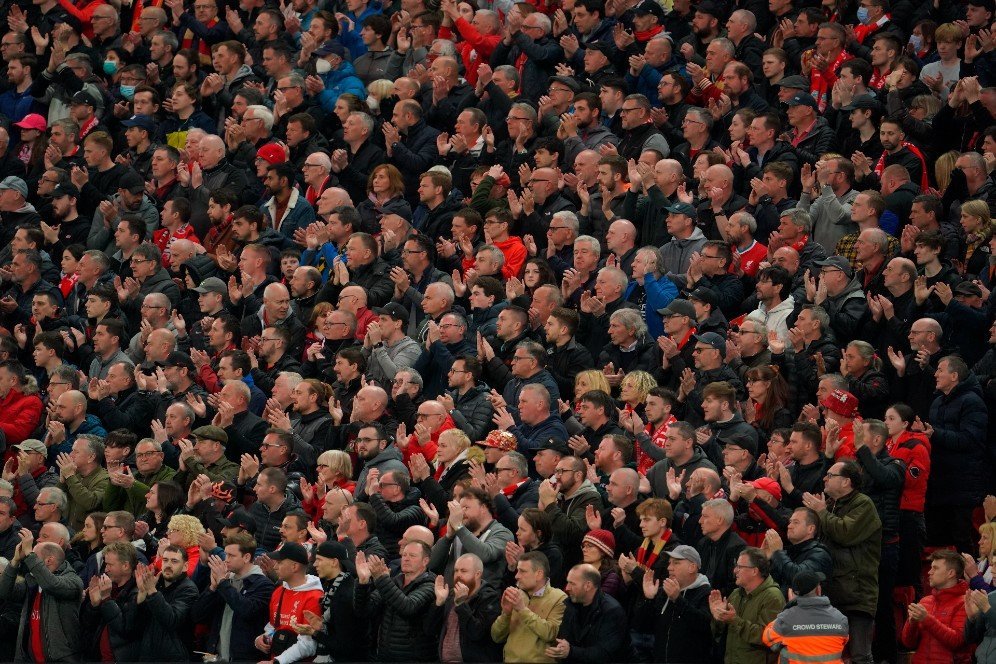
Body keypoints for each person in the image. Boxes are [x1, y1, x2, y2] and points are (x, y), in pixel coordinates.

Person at [803, 461, 881, 664]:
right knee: (827, 654)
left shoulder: (863, 504)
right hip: (833, 591)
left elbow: (846, 534)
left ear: (846, 481)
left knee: (860, 656)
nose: (824, 478)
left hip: (857, 593)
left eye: (830, 475)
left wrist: (821, 512)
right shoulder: (831, 505)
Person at [0, 527, 84, 662]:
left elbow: (51, 584)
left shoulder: (73, 582)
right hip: (29, 657)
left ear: (49, 561)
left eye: (34, 557)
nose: (30, 562)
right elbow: (4, 591)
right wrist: (15, 561)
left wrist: (29, 553)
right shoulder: (32, 581)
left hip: (60, 659)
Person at [192, 532, 274, 662]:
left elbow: (246, 610)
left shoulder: (263, 585)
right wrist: (212, 588)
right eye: (226, 554)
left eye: (231, 555)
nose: (226, 559)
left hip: (244, 658)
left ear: (246, 557)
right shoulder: (224, 580)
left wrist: (222, 583)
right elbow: (197, 615)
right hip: (216, 657)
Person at [354, 541, 439, 661]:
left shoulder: (430, 585)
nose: (406, 559)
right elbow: (364, 610)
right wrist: (363, 582)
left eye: (412, 556)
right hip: (385, 656)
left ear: (425, 561)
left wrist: (381, 578)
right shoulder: (394, 581)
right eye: (404, 555)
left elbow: (408, 607)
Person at [709, 547, 785, 664]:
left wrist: (734, 620)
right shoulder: (736, 594)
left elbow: (767, 637)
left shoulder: (773, 597)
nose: (735, 570)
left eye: (740, 566)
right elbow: (719, 634)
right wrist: (718, 616)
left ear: (754, 571)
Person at [491, 550, 568, 663]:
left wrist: (522, 610)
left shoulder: (559, 598)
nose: (517, 576)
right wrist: (506, 614)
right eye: (517, 571)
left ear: (538, 574)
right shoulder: (515, 595)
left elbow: (551, 634)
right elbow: (496, 637)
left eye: (522, 571)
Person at [426, 552, 504, 663]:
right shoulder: (450, 595)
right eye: (456, 571)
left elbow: (477, 633)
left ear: (477, 574)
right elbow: (429, 630)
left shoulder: (490, 598)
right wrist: (439, 602)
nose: (458, 575)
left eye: (463, 571)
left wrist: (461, 604)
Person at [254, 542, 323, 663]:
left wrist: (277, 661)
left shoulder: (314, 597)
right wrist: (261, 638)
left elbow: (308, 645)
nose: (275, 567)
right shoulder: (278, 591)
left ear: (294, 566)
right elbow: (274, 626)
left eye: (280, 563)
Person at [761, 570, 849, 664]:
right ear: (818, 590)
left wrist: (790, 607)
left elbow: (767, 638)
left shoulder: (786, 619)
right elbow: (844, 641)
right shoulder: (840, 619)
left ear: (794, 594)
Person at [901, 549, 972, 664]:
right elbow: (908, 643)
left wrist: (926, 619)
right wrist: (912, 623)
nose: (929, 572)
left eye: (935, 568)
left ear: (951, 573)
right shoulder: (925, 601)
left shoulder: (965, 602)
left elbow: (957, 641)